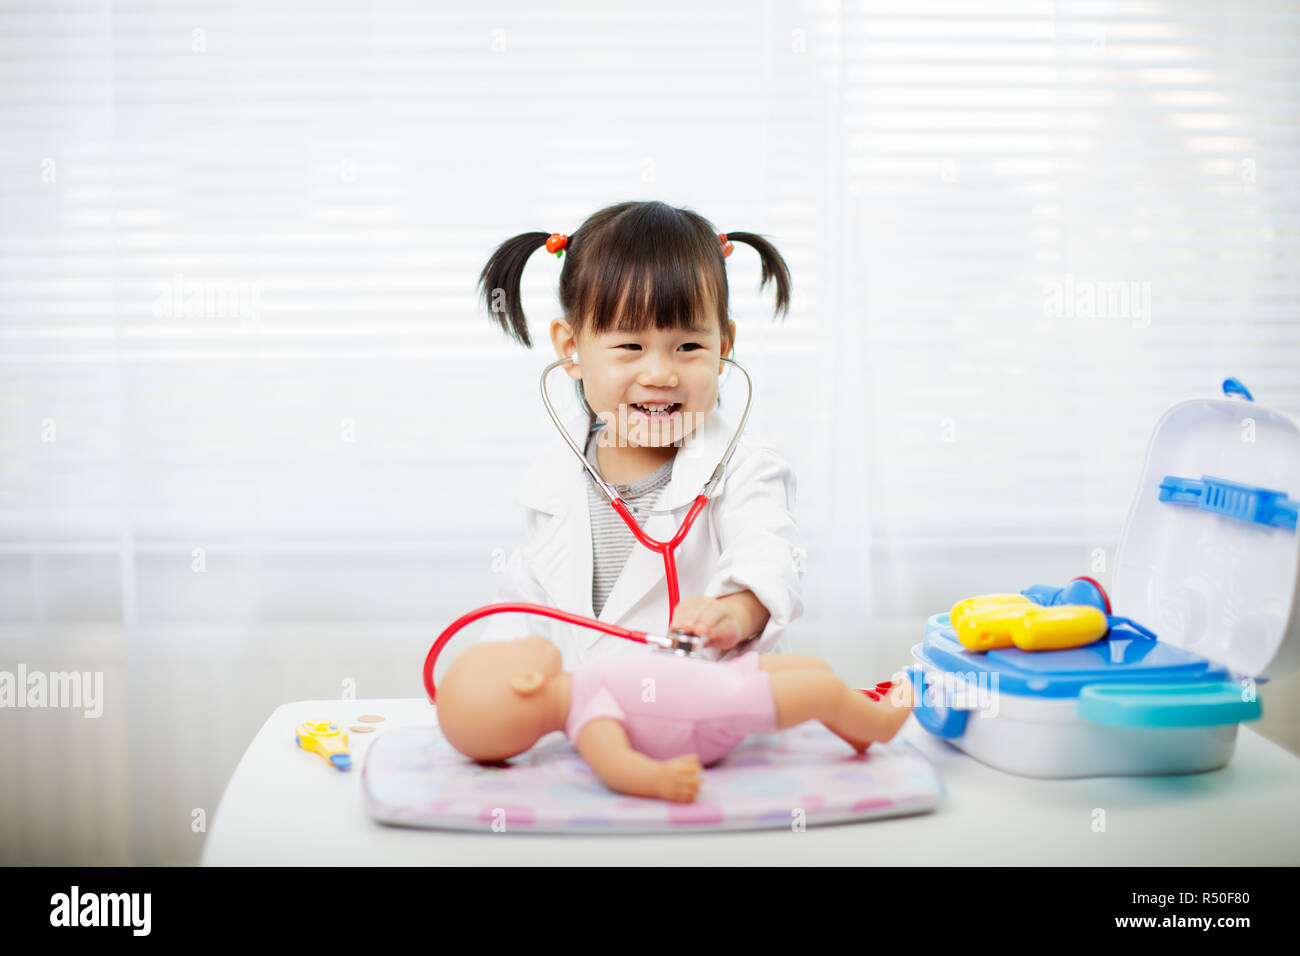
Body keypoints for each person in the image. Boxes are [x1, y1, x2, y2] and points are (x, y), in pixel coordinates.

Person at [474, 200, 804, 667]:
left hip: (704, 722)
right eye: (630, 345)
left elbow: (768, 558)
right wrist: (496, 679)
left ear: (724, 347)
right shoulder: (552, 483)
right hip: (589, 729)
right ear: (571, 350)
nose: (660, 373)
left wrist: (734, 612)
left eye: (688, 346)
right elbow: (519, 619)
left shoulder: (748, 471)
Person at [436, 635, 915, 803]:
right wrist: (661, 780)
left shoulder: (582, 688)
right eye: (505, 648)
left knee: (813, 668)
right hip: (717, 712)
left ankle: (853, 730)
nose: (517, 638)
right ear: (524, 679)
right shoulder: (587, 719)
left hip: (724, 679)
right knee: (823, 691)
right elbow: (617, 767)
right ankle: (880, 723)